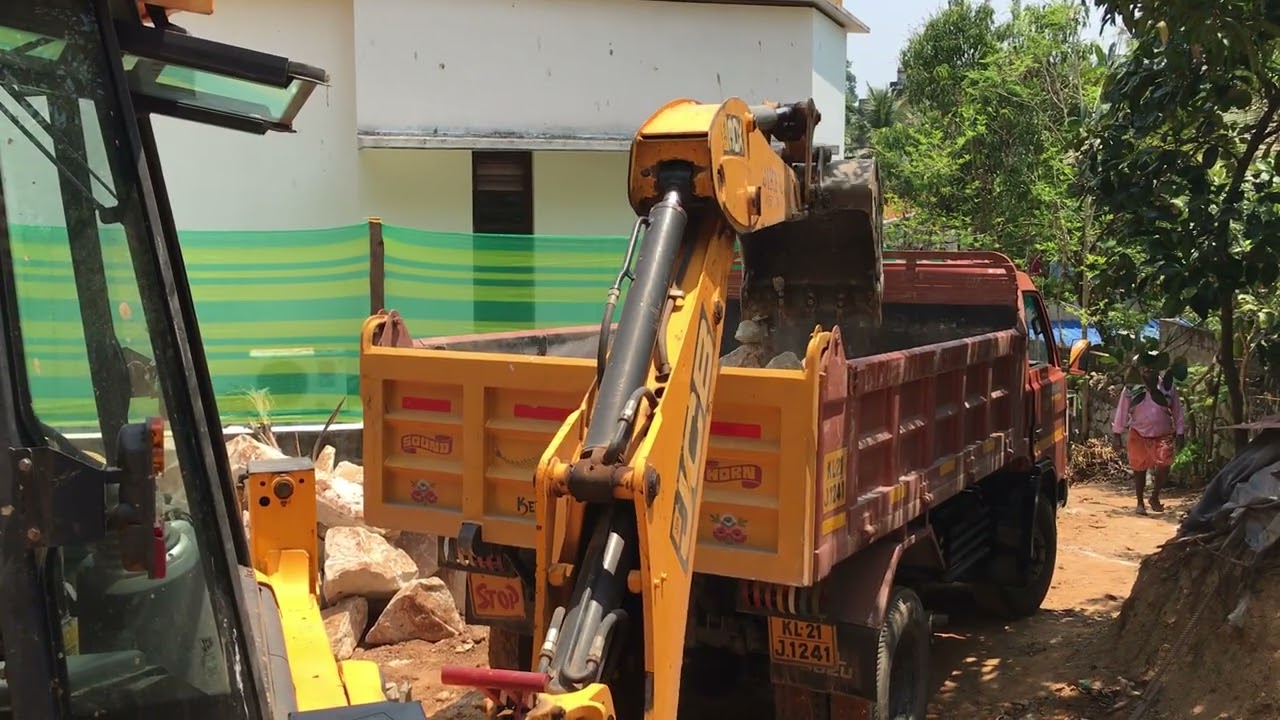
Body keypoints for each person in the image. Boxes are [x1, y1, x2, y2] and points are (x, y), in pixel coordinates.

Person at [1112, 356, 1185, 515]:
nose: (1148, 371)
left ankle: (1155, 496)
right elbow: (1122, 411)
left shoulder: (1167, 387)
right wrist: (1117, 433)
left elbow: (1177, 411)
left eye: (1152, 368)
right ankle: (1140, 503)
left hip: (1163, 433)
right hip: (1138, 432)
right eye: (1145, 368)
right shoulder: (1131, 389)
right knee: (1139, 468)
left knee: (1165, 466)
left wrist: (1180, 432)